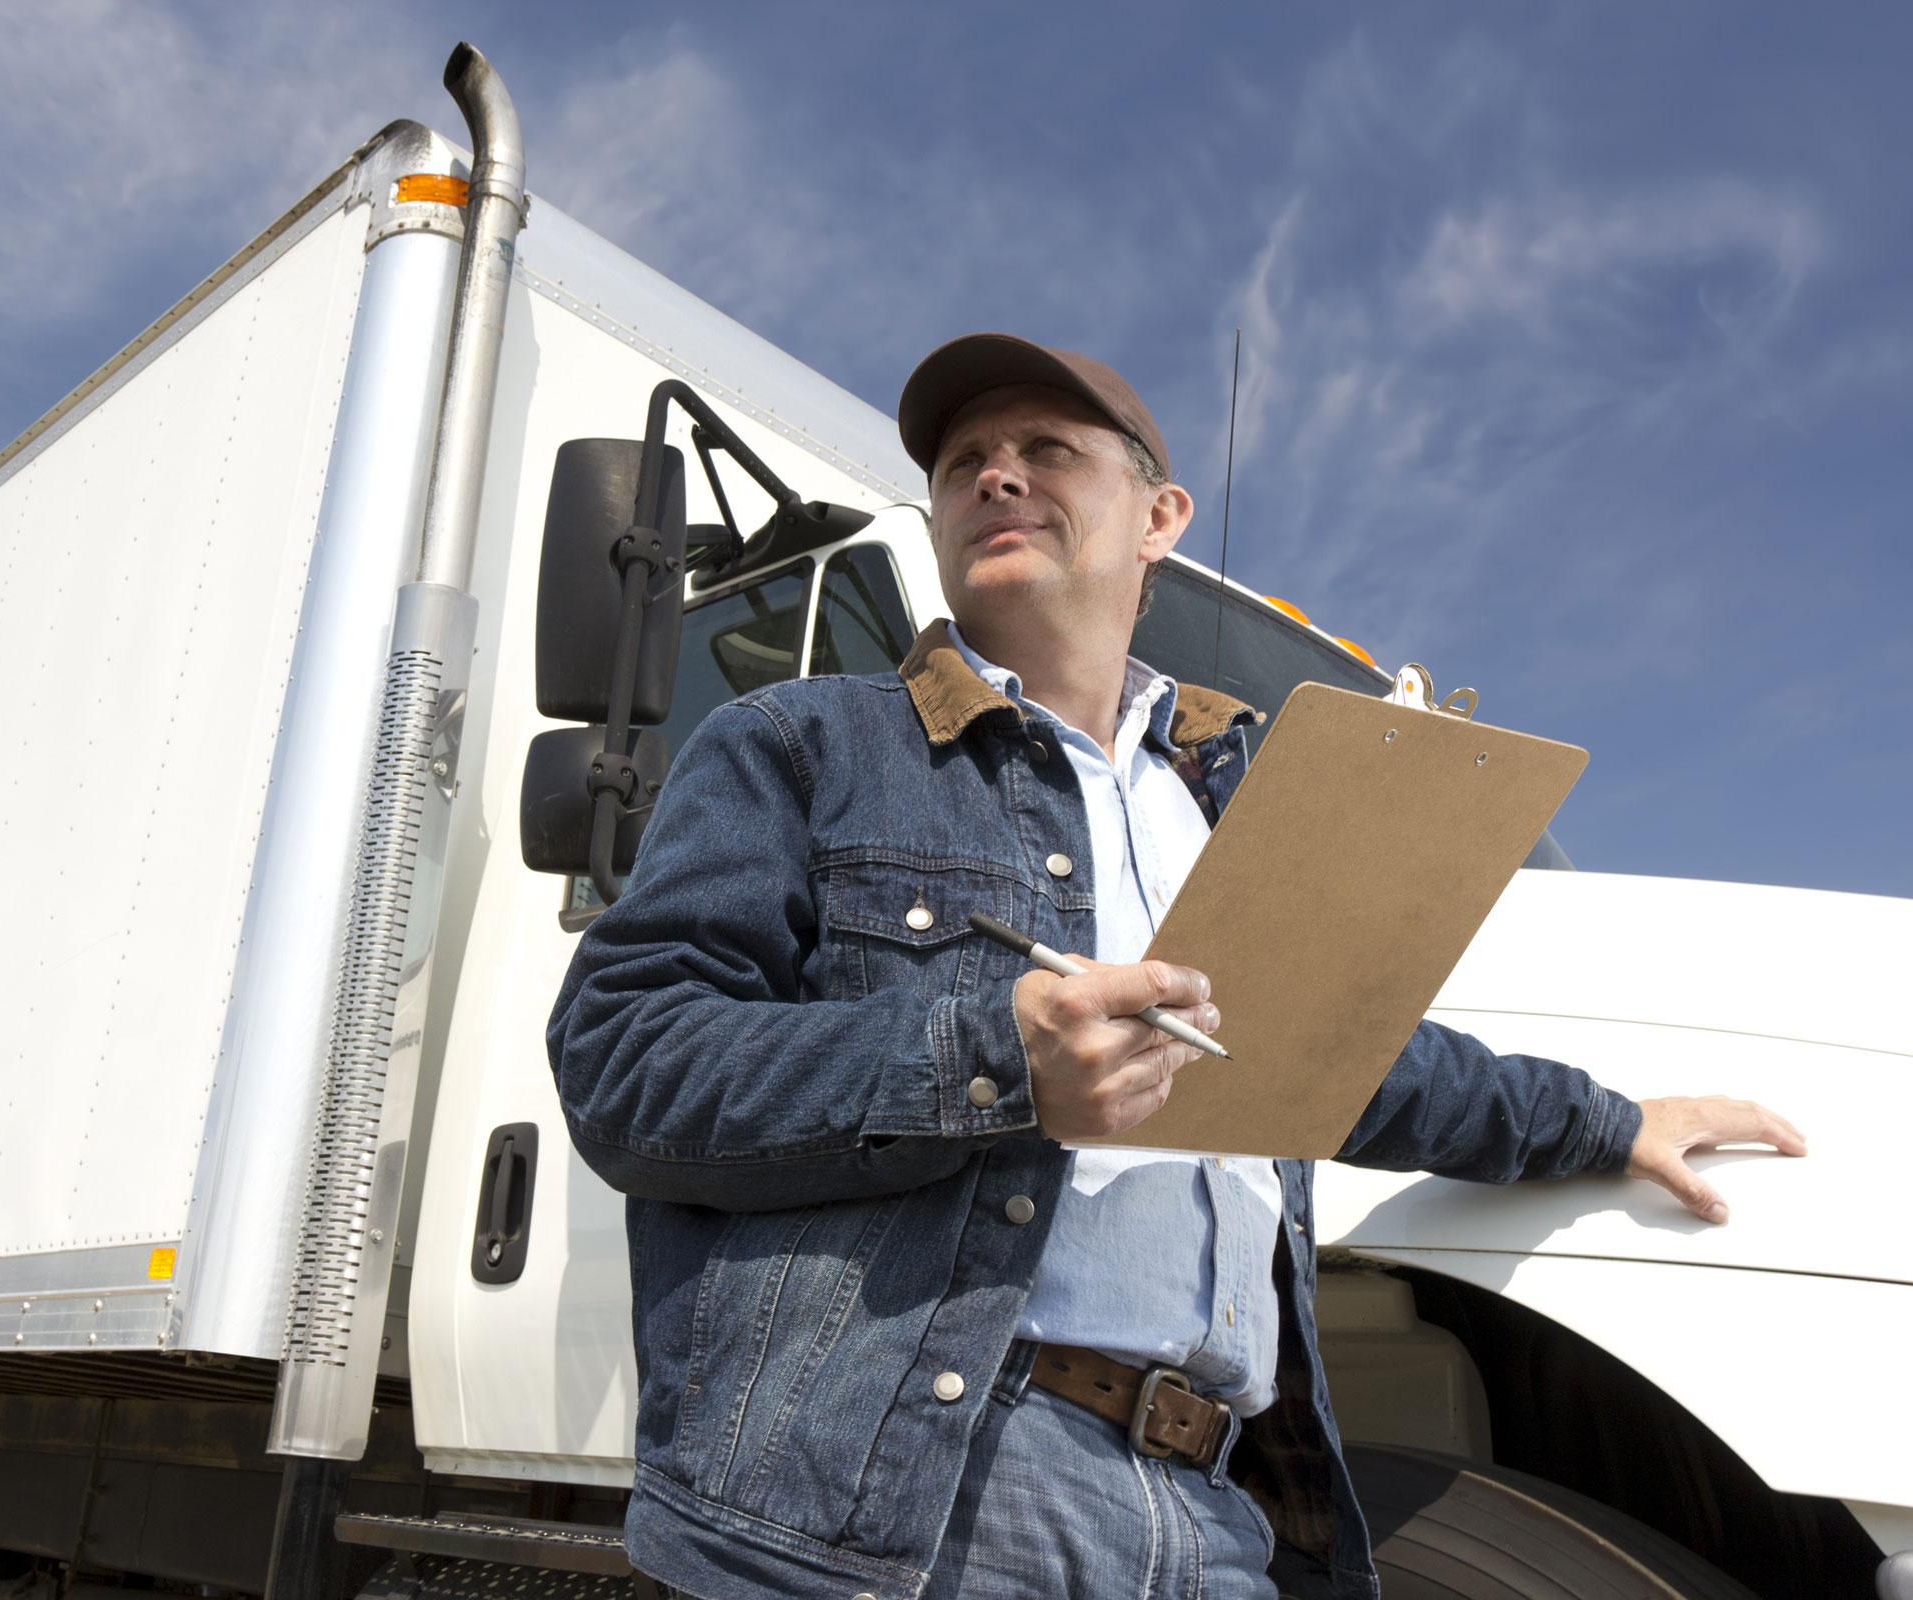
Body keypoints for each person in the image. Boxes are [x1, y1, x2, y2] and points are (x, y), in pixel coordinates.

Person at [546, 333, 1804, 1600]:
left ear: (1160, 516)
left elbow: (1357, 1062)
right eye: (965, 461)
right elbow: (623, 1059)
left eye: (1046, 450)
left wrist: (1609, 1120)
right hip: (907, 1505)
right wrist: (1000, 1063)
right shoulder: (802, 743)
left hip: (1218, 1509)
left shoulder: (1235, 807)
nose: (995, 476)